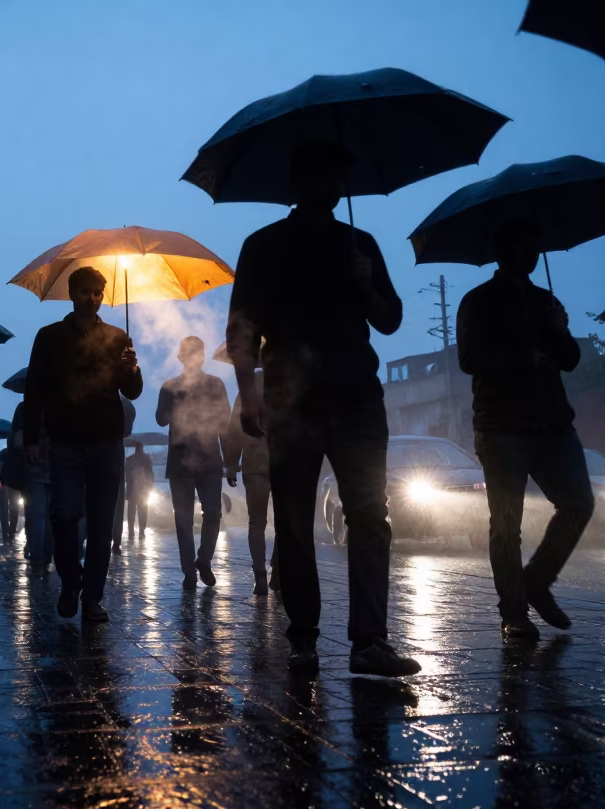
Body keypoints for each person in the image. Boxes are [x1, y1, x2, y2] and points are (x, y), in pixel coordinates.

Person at [226, 142, 420, 677]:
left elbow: (391, 319)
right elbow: (242, 327)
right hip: (293, 401)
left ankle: (369, 640)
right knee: (293, 518)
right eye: (322, 173)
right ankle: (303, 635)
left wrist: (366, 287)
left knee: (368, 516)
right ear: (299, 182)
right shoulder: (264, 246)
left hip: (358, 396)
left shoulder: (361, 244)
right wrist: (248, 393)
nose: (333, 184)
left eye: (339, 174)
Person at [456, 218, 594, 642]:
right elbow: (469, 358)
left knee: (578, 504)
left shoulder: (544, 301)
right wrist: (522, 358)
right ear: (501, 251)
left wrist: (560, 327)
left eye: (535, 245)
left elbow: (570, 359)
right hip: (500, 426)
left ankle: (536, 581)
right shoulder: (478, 301)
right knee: (506, 523)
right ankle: (513, 612)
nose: (531, 253)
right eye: (522, 244)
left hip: (552, 422)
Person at [24, 266, 142, 621]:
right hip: (65, 441)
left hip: (107, 440)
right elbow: (34, 391)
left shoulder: (118, 337)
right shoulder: (50, 337)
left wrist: (132, 368)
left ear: (103, 296)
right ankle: (70, 581)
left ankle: (92, 598)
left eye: (97, 293)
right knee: (64, 515)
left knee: (103, 522)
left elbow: (132, 392)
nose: (91, 298)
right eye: (84, 292)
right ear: (71, 294)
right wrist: (31, 437)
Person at [156, 336, 230, 588]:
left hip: (209, 460)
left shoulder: (215, 384)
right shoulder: (170, 386)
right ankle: (189, 570)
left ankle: (203, 560)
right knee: (183, 519)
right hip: (180, 462)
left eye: (196, 352)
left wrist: (229, 460)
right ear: (181, 357)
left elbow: (225, 423)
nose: (192, 357)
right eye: (188, 353)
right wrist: (178, 403)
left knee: (213, 512)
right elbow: (160, 419)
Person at [227, 368, 272, 596]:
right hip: (281, 459)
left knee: (257, 522)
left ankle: (260, 577)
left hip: (254, 463)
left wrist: (232, 463)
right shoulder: (284, 384)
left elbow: (234, 430)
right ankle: (279, 571)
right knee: (286, 521)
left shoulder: (245, 392)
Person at [12, 399, 54, 573]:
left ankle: (37, 560)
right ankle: (47, 556)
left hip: (32, 466)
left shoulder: (25, 407)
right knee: (51, 516)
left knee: (36, 515)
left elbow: (14, 440)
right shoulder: (61, 404)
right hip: (57, 466)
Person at [111, 395, 137, 553]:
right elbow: (127, 431)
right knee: (117, 502)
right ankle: (116, 541)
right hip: (115, 452)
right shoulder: (126, 404)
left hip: (96, 454)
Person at [124, 441, 154, 539]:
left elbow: (126, 476)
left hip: (133, 490)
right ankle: (141, 531)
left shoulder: (130, 459)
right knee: (143, 511)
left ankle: (132, 531)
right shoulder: (147, 459)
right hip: (143, 490)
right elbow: (150, 475)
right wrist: (150, 487)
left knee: (131, 512)